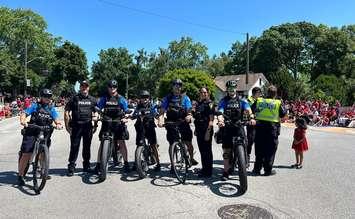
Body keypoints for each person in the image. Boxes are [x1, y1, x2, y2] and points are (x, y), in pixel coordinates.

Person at [17, 89, 62, 185]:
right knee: (27, 153)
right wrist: (23, 120)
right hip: (32, 131)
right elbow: (24, 113)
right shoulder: (35, 105)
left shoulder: (51, 108)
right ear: (41, 96)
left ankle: (43, 171)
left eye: (49, 96)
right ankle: (20, 175)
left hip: (45, 131)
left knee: (43, 153)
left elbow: (56, 118)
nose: (47, 98)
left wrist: (58, 123)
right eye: (45, 96)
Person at [216, 80, 255, 181]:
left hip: (239, 126)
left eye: (233, 88)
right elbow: (220, 112)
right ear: (227, 89)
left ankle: (243, 161)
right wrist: (220, 121)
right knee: (226, 151)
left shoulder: (242, 100)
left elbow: (248, 109)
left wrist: (251, 117)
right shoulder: (223, 100)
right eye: (229, 88)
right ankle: (225, 171)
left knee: (245, 144)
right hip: (227, 127)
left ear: (236, 88)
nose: (231, 90)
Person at [157, 79, 198, 171]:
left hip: (183, 122)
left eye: (179, 85)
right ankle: (172, 164)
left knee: (188, 142)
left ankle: (191, 158)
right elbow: (162, 112)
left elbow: (189, 110)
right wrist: (160, 120)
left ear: (181, 87)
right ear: (172, 86)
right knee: (172, 144)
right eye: (175, 85)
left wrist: (189, 115)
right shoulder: (167, 98)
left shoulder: (185, 98)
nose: (177, 87)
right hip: (171, 123)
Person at [95, 80, 131, 172]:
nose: (112, 88)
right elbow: (98, 108)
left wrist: (126, 117)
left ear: (116, 88)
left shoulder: (121, 99)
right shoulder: (104, 98)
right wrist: (96, 115)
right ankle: (98, 164)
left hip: (118, 123)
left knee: (121, 142)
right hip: (106, 122)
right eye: (110, 87)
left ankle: (126, 163)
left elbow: (126, 109)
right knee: (102, 143)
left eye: (114, 87)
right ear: (108, 88)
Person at [64, 80, 98, 176]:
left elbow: (97, 111)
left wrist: (95, 124)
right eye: (82, 86)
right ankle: (71, 166)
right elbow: (66, 110)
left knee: (87, 147)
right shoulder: (74, 98)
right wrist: (67, 126)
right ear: (80, 88)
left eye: (86, 86)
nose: (84, 88)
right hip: (76, 126)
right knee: (74, 147)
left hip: (88, 127)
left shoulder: (93, 99)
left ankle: (86, 166)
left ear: (88, 88)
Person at [252, 85, 286, 176]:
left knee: (259, 150)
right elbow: (283, 114)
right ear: (275, 94)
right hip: (272, 130)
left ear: (267, 93)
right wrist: (282, 103)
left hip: (260, 128)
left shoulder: (259, 100)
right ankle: (267, 170)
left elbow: (251, 109)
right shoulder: (278, 102)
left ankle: (256, 169)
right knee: (270, 151)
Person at [132, 90, 161, 171]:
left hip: (150, 126)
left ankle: (158, 163)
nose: (144, 99)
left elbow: (155, 114)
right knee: (139, 145)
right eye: (142, 97)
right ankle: (136, 162)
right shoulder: (138, 106)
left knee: (153, 145)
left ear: (149, 98)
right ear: (140, 99)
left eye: (146, 97)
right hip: (140, 127)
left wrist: (159, 118)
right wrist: (131, 116)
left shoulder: (151, 105)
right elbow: (134, 114)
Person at [192, 87, 214, 178]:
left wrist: (208, 132)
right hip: (199, 130)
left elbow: (211, 120)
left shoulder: (210, 104)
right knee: (202, 151)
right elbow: (197, 118)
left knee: (207, 151)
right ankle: (204, 169)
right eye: (201, 92)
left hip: (206, 130)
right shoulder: (198, 104)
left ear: (208, 93)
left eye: (205, 92)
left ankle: (208, 172)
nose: (203, 94)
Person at [246, 87, 262, 165]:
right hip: (251, 123)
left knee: (258, 141)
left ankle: (258, 159)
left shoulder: (259, 100)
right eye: (258, 93)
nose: (260, 95)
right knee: (250, 140)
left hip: (258, 123)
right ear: (254, 93)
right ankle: (247, 156)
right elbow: (247, 110)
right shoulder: (249, 100)